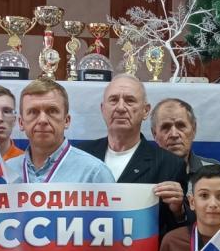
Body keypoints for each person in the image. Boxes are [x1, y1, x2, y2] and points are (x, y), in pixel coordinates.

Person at [5, 78, 114, 251]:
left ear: (66, 120)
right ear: (21, 122)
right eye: (33, 112)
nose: (42, 119)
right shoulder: (3, 174)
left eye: (52, 111)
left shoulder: (95, 173)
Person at [80, 74, 188, 234]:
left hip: (141, 249)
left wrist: (179, 211)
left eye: (130, 100)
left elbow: (176, 235)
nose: (120, 107)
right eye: (113, 100)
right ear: (103, 109)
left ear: (145, 111)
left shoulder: (170, 164)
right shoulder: (80, 155)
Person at [150, 98, 220, 174]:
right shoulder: (143, 172)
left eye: (181, 126)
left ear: (193, 129)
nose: (174, 134)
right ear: (154, 134)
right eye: (166, 127)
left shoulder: (213, 171)